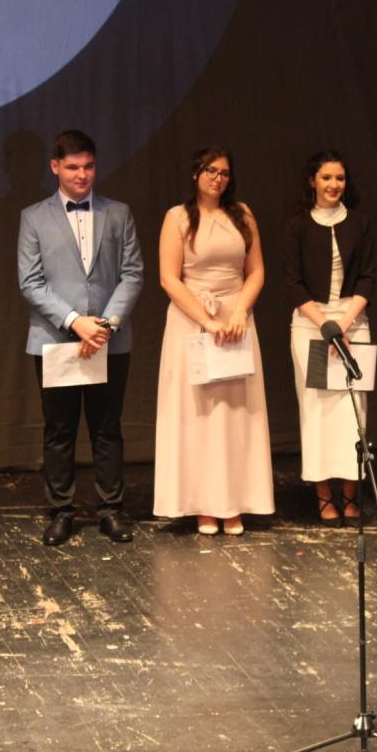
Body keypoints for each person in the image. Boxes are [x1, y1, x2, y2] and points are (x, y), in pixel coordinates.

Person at [17, 129, 144, 546]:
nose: (82, 174)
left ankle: (111, 510)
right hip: (57, 338)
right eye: (72, 167)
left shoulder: (118, 213)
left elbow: (132, 274)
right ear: (55, 167)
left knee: (107, 427)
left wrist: (104, 325)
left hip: (109, 338)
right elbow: (31, 282)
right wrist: (76, 322)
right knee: (60, 429)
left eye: (88, 166)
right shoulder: (34, 217)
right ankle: (61, 512)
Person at [153, 146, 274, 534]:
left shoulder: (242, 215)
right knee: (199, 415)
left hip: (235, 323)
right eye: (210, 170)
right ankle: (203, 504)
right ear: (195, 174)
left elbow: (256, 272)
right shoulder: (177, 217)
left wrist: (239, 311)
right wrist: (206, 320)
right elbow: (169, 278)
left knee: (234, 415)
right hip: (192, 321)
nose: (217, 178)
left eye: (223, 172)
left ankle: (233, 502)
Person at [282, 150, 375, 527]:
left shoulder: (361, 223)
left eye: (339, 178)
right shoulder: (297, 226)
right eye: (326, 178)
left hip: (353, 321)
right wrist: (325, 325)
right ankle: (324, 498)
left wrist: (345, 322)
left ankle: (351, 495)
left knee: (353, 412)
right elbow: (293, 283)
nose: (334, 184)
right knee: (317, 412)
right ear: (312, 181)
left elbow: (368, 278)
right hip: (311, 324)